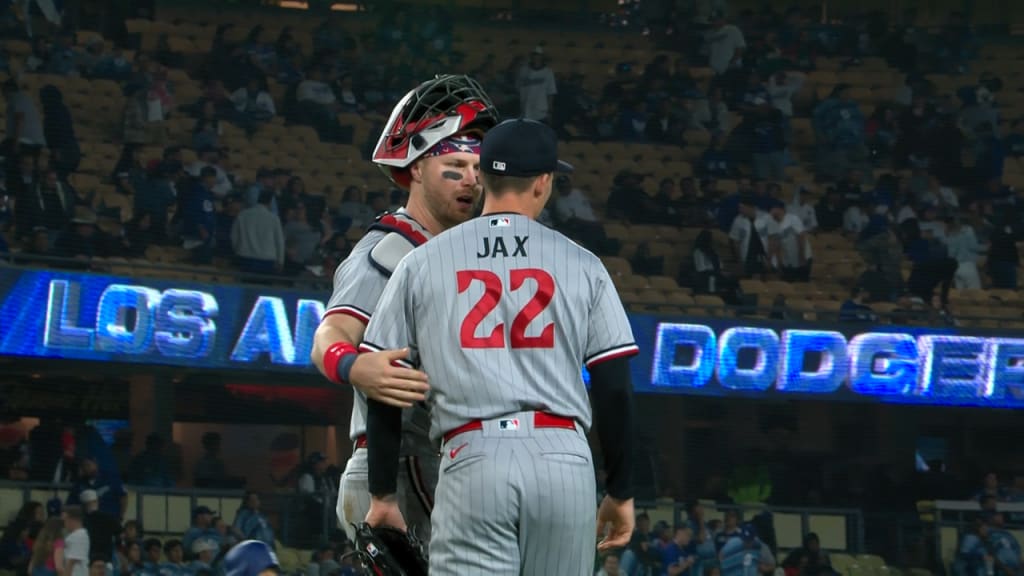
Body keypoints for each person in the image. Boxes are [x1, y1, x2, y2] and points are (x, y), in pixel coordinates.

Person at [361, 118, 638, 575]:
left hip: (473, 455)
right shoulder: (582, 263)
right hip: (563, 458)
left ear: (483, 177)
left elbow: (388, 383)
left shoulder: (422, 262)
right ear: (544, 182)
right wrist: (621, 490)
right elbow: (615, 387)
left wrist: (382, 494)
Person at [309, 74, 499, 543]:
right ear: (415, 168)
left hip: (428, 463)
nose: (471, 181)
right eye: (455, 165)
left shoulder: (450, 250)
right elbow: (328, 337)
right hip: (400, 465)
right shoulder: (392, 248)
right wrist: (353, 365)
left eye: (478, 169)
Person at [62, 507, 90, 576]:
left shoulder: (79, 536)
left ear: (72, 519)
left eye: (65, 520)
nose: (64, 524)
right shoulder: (75, 535)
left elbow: (72, 561)